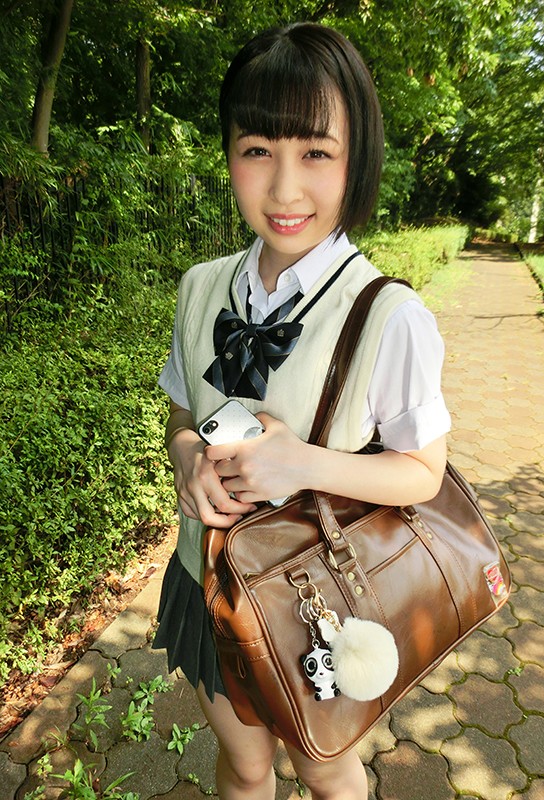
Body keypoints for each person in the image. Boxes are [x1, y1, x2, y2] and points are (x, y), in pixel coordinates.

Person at [153, 22, 451, 800]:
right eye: (258, 149)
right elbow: (180, 415)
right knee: (246, 765)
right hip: (206, 579)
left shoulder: (389, 316)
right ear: (229, 154)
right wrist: (184, 458)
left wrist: (303, 465)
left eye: (316, 152)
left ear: (359, 159)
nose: (285, 189)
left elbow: (424, 473)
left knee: (326, 769)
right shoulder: (198, 288)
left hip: (320, 601)